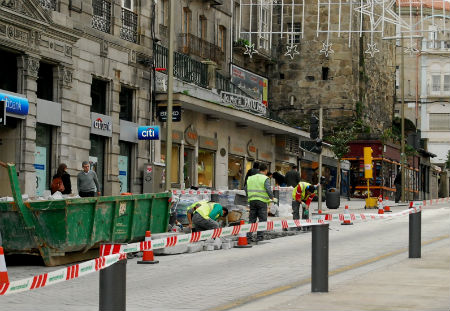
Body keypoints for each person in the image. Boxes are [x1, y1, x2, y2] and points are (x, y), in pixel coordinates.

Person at [245, 163, 275, 242]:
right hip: (261, 201)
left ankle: (248, 237)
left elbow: (245, 188)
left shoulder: (250, 178)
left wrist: (249, 196)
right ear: (265, 171)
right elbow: (268, 189)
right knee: (262, 219)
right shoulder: (265, 178)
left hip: (252, 201)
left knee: (251, 220)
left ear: (259, 170)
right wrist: (272, 197)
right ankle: (259, 237)